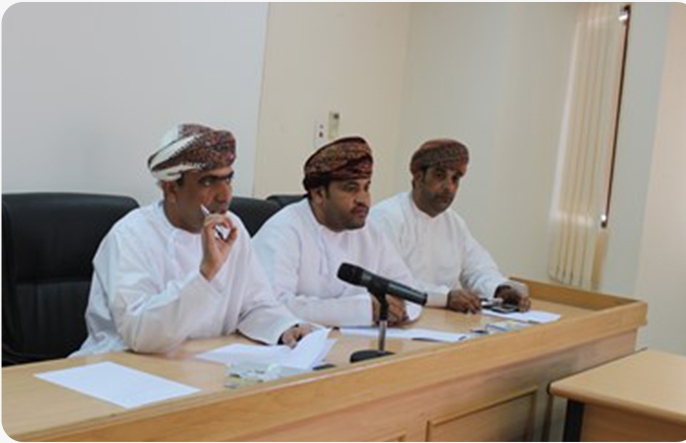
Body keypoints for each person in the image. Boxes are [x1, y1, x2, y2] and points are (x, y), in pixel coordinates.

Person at [73, 123, 311, 356]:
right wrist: (205, 274)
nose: (225, 195)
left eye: (228, 180)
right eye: (208, 182)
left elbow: (255, 305)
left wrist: (285, 328)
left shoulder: (231, 227)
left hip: (202, 363)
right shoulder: (130, 236)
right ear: (171, 189)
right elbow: (139, 334)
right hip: (125, 365)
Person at [252, 136, 422, 327]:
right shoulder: (283, 230)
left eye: (366, 188)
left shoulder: (370, 232)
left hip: (357, 341)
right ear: (319, 194)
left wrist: (398, 311)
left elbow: (410, 294)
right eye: (351, 189)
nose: (363, 199)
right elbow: (272, 307)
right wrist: (363, 310)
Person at [370, 138, 530, 314]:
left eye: (455, 179)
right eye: (440, 176)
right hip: (401, 320)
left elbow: (477, 268)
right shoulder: (386, 217)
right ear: (418, 176)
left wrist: (500, 290)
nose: (449, 187)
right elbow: (390, 281)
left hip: (446, 323)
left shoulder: (454, 223)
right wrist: (445, 297)